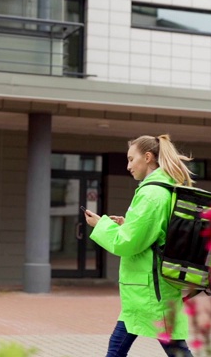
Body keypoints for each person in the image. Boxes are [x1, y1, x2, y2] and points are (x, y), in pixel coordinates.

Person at [83, 134, 195, 357]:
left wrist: (100, 225)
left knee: (176, 351)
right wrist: (127, 224)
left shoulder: (152, 194)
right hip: (146, 289)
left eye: (131, 159)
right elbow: (150, 234)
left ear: (147, 157)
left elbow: (127, 243)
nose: (128, 166)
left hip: (150, 291)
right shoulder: (164, 188)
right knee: (117, 347)